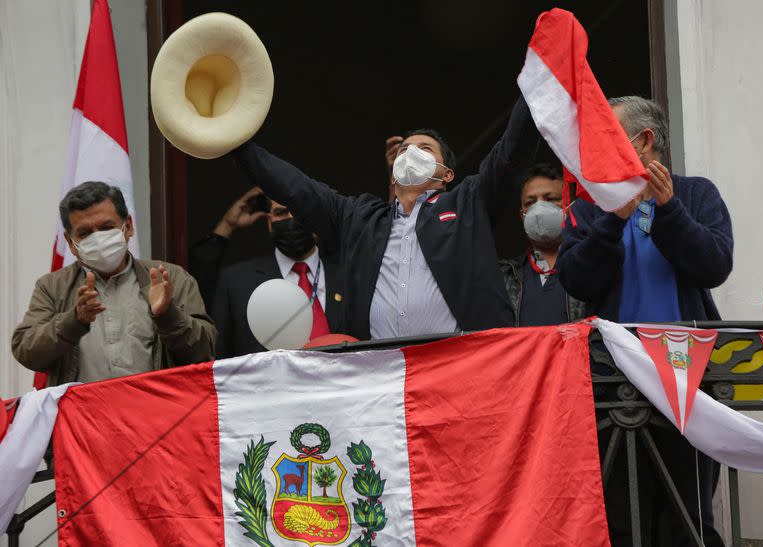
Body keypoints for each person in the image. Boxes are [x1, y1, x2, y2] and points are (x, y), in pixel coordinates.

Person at [558, 96, 733, 547]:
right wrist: (612, 223)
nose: (593, 148)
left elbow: (714, 265)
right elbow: (575, 278)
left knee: (687, 520)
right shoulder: (590, 206)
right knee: (619, 519)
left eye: (605, 136)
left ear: (644, 140)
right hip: (613, 383)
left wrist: (669, 209)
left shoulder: (697, 194)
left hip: (686, 378)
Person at [231, 96, 539, 340]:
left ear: (447, 174)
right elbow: (296, 188)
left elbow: (512, 151)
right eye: (404, 149)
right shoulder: (358, 218)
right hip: (382, 379)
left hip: (461, 368)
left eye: (424, 149)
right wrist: (235, 144)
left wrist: (536, 82)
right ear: (393, 175)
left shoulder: (468, 202)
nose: (410, 153)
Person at [12, 182, 216, 386]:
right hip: (82, 415)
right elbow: (26, 351)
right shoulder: (52, 287)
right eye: (85, 233)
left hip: (154, 413)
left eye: (106, 228)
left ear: (128, 226)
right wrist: (74, 321)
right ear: (70, 243)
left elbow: (205, 353)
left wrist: (168, 314)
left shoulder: (169, 278)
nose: (98, 239)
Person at [189, 187, 344, 358]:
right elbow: (215, 352)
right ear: (270, 223)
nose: (292, 220)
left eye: (299, 210)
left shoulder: (348, 275)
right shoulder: (236, 282)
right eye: (282, 213)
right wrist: (226, 226)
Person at [499, 163, 585, 326]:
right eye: (530, 203)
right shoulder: (504, 276)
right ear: (522, 215)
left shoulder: (592, 266)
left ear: (571, 206)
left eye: (551, 199)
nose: (538, 209)